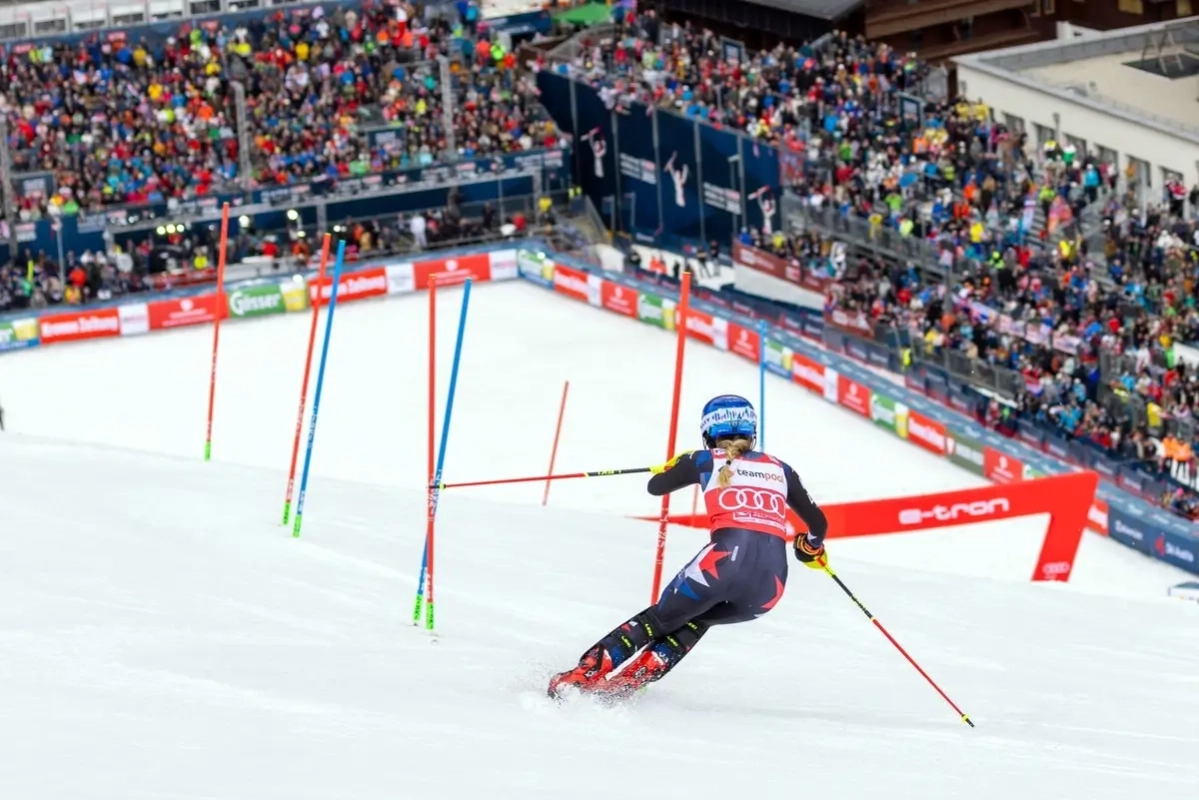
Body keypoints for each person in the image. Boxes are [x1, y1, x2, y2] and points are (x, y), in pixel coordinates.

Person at [548, 394, 829, 700]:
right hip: (769, 588)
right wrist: (810, 548)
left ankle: (579, 678)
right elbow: (818, 524)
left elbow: (656, 487)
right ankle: (622, 688)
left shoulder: (704, 459)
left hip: (721, 565)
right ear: (752, 432)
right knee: (699, 619)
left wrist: (677, 465)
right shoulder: (781, 469)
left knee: (656, 620)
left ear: (708, 433)